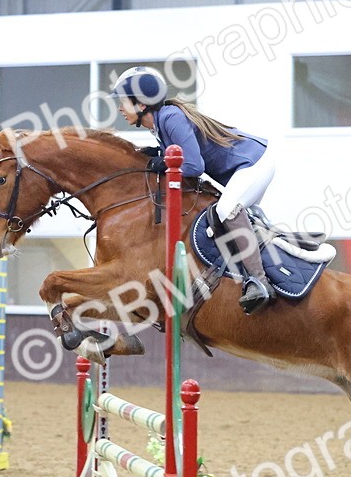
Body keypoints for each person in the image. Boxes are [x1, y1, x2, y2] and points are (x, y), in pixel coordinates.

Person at [111, 66, 276, 315]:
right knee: (227, 218)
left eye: (123, 102)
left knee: (227, 209)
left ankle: (260, 283)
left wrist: (163, 162)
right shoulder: (160, 125)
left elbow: (193, 166)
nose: (119, 109)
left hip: (254, 163)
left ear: (141, 103)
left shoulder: (170, 117)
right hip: (244, 168)